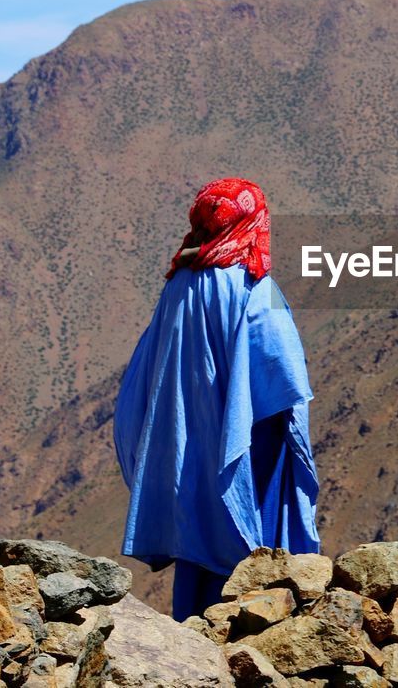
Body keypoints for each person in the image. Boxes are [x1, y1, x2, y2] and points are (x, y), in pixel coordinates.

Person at [113, 177, 320, 621]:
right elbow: (282, 375)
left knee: (199, 531)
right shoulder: (250, 286)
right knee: (248, 536)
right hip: (247, 438)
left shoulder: (177, 285)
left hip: (188, 445)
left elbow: (148, 374)